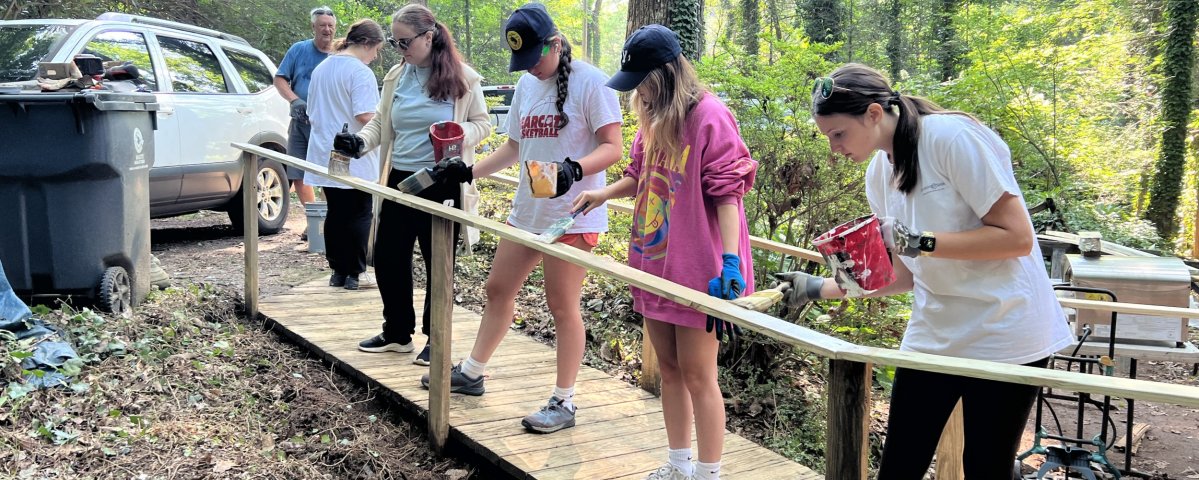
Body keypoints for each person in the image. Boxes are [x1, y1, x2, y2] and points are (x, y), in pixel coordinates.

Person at [773, 63, 1074, 479]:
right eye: (828, 138)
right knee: (899, 465)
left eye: (839, 134)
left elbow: (1018, 238)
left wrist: (919, 241)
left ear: (874, 114)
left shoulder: (951, 138)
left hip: (1006, 330)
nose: (834, 149)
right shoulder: (879, 174)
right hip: (935, 333)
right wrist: (817, 287)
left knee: (986, 467)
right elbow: (903, 275)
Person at [417, 3, 622, 434]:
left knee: (561, 306)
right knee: (497, 289)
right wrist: (468, 171)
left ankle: (564, 402)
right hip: (528, 211)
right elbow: (514, 148)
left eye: (534, 60)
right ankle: (473, 373)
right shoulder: (527, 87)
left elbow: (613, 147)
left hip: (573, 215)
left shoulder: (592, 82)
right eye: (522, 63)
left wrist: (575, 169)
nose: (529, 70)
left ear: (555, 43)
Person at [572, 25, 757, 480]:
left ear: (667, 74)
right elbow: (640, 174)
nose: (638, 91)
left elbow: (728, 194)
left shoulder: (710, 116)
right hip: (655, 260)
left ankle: (708, 472)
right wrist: (603, 194)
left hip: (701, 267)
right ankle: (678, 465)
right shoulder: (652, 117)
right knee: (669, 370)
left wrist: (730, 262)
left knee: (698, 374)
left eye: (643, 80)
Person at [333, 4, 490, 366]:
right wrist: (358, 142)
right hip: (400, 179)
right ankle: (397, 332)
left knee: (439, 263)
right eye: (394, 42)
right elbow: (381, 124)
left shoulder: (463, 78)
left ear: (429, 36)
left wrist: (460, 132)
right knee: (388, 257)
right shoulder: (396, 76)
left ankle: (437, 339)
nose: (400, 50)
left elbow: (483, 123)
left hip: (442, 180)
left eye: (405, 42)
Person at [304, 19, 385, 291]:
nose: (375, 57)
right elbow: (365, 115)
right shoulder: (360, 72)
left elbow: (311, 111)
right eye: (376, 50)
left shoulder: (322, 67)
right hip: (351, 150)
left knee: (336, 211)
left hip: (324, 148)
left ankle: (338, 271)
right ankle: (357, 272)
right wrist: (388, 122)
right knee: (360, 211)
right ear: (366, 44)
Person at [275, 6, 335, 240]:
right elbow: (280, 78)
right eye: (322, 26)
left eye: (330, 26)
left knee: (330, 175)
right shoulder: (299, 50)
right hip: (301, 122)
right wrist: (295, 100)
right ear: (313, 27)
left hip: (329, 126)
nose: (327, 30)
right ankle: (314, 220)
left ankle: (332, 220)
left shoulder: (340, 53)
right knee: (298, 172)